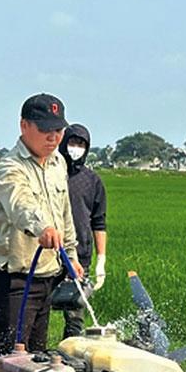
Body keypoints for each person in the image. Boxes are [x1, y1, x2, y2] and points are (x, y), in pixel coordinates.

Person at [0, 93, 83, 359]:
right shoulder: (8, 168)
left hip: (48, 275)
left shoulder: (58, 163)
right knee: (12, 361)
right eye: (45, 130)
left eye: (58, 130)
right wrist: (42, 228)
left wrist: (71, 258)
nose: (53, 137)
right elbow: (21, 205)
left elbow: (64, 215)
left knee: (37, 358)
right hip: (14, 280)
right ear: (24, 126)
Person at [58, 124, 108, 338]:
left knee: (75, 316)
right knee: (39, 309)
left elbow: (99, 222)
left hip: (80, 257)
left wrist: (101, 259)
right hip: (48, 252)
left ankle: (68, 359)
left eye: (81, 144)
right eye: (72, 142)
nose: (75, 148)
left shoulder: (93, 181)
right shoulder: (53, 173)